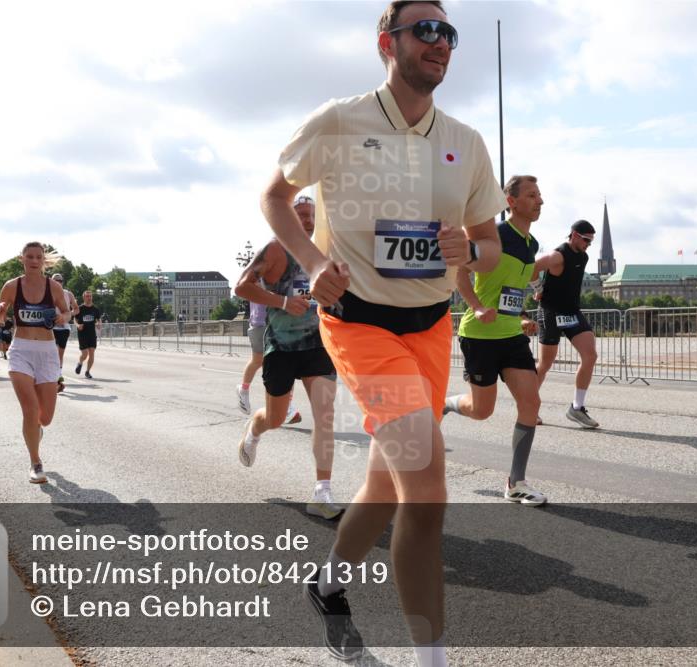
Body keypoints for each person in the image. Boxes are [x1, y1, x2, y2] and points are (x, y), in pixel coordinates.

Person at [262, 2, 505, 662]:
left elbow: (489, 246)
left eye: (448, 33)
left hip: (430, 330)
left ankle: (327, 579)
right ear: (386, 43)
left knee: (386, 482)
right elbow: (275, 197)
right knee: (425, 485)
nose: (440, 42)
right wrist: (313, 264)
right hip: (360, 325)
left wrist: (468, 252)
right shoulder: (339, 121)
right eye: (424, 29)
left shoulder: (468, 141)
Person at [235, 195, 342, 520]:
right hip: (280, 347)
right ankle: (255, 429)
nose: (309, 222)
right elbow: (242, 287)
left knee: (324, 415)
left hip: (317, 344)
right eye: (302, 216)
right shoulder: (274, 249)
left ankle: (322, 491)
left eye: (312, 216)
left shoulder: (324, 249)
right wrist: (282, 302)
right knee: (277, 418)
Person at [443, 175, 546, 505]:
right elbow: (459, 269)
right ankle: (446, 404)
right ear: (510, 202)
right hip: (479, 335)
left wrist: (521, 316)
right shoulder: (494, 236)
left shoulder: (531, 245)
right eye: (532, 195)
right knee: (481, 410)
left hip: (511, 336)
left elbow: (511, 292)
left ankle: (516, 482)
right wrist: (476, 305)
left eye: (540, 195)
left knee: (531, 402)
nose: (539, 201)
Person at [0, 242, 71, 483]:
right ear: (22, 259)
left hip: (47, 352)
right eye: (30, 257)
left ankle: (36, 432)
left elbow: (68, 313)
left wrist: (61, 316)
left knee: (44, 418)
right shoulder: (12, 286)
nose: (34, 261)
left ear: (43, 260)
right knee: (30, 410)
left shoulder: (54, 287)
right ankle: (35, 463)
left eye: (38, 257)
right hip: (21, 351)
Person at [534, 219, 600, 428]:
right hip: (551, 311)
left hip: (571, 312)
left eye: (590, 241)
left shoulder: (584, 256)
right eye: (585, 240)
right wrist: (538, 288)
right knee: (545, 363)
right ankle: (528, 406)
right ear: (573, 235)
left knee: (590, 355)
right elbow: (532, 268)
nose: (588, 244)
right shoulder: (557, 256)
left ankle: (576, 408)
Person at [236, 300, 301, 424]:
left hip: (279, 323)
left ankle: (287, 405)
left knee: (285, 362)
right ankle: (243, 390)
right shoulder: (259, 280)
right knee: (258, 360)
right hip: (260, 323)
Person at [50, 273, 79, 392]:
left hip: (64, 327)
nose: (58, 282)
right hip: (51, 327)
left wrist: (67, 315)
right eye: (55, 280)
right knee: (51, 352)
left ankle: (58, 376)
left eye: (60, 280)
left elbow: (76, 309)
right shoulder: (47, 293)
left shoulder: (68, 294)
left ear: (63, 282)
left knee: (59, 353)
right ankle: (52, 376)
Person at [74, 290, 102, 379]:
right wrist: (78, 325)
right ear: (84, 297)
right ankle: (80, 362)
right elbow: (75, 319)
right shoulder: (80, 308)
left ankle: (87, 371)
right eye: (87, 296)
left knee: (92, 353)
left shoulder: (95, 309)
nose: (89, 298)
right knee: (85, 354)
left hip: (92, 334)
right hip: (82, 334)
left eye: (90, 296)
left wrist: (99, 324)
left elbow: (99, 319)